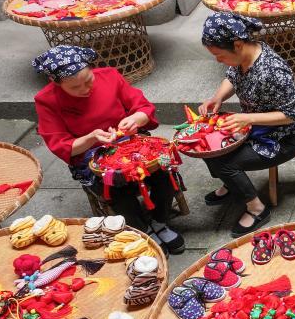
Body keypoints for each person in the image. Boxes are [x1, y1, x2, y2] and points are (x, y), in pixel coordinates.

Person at [33, 45, 185, 253]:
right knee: (116, 186)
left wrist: (134, 119)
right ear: (55, 82)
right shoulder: (46, 100)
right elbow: (60, 145)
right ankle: (143, 231)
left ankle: (160, 222)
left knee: (163, 169)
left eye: (89, 80)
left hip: (130, 143)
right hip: (91, 155)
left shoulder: (109, 76)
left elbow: (142, 107)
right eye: (75, 88)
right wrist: (90, 138)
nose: (86, 89)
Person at [198, 13, 295, 237]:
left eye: (219, 55)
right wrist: (217, 98)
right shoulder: (243, 56)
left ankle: (257, 209)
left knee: (224, 162)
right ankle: (232, 185)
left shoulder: (273, 70)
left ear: (237, 45)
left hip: (283, 137)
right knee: (207, 145)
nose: (218, 60)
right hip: (253, 127)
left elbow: (290, 115)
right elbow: (231, 77)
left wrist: (248, 118)